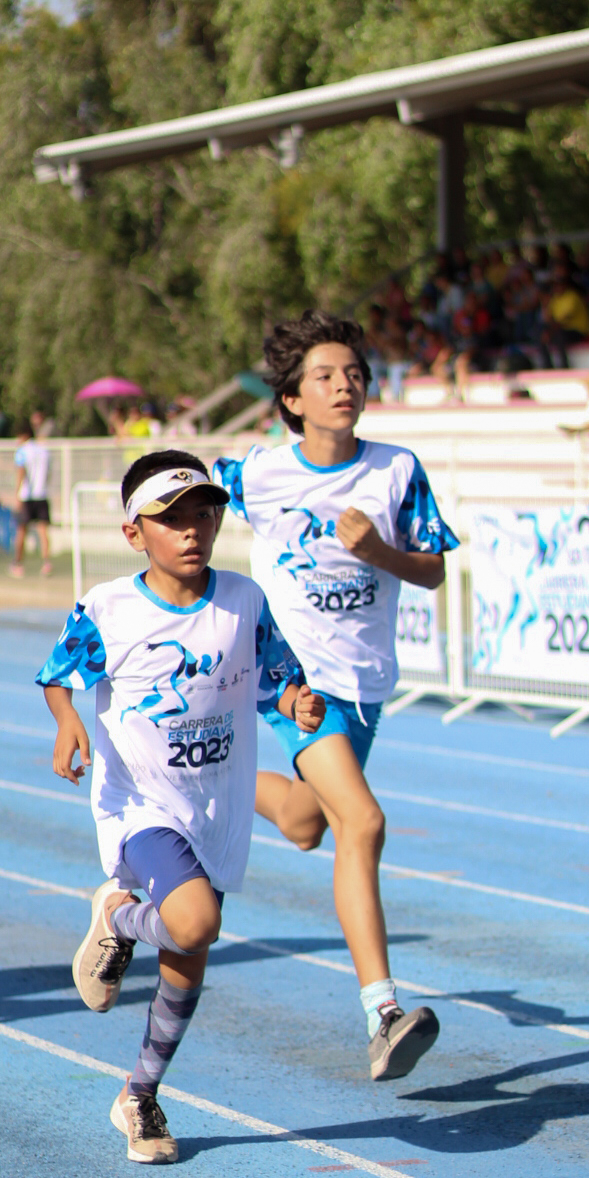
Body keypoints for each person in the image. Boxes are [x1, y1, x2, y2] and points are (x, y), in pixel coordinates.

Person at [36, 452, 322, 1162]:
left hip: (216, 805)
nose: (192, 530)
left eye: (204, 513)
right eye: (171, 518)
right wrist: (67, 722)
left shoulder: (243, 600)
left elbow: (278, 678)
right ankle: (115, 913)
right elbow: (57, 675)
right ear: (136, 533)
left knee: (187, 951)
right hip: (140, 804)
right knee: (197, 921)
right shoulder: (108, 607)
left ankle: (140, 1094)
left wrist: (297, 701)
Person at [213, 311, 458, 1081]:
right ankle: (383, 1012)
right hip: (291, 683)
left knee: (304, 822)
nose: (344, 385)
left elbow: (432, 568)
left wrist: (377, 550)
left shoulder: (395, 470)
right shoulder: (255, 472)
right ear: (291, 399)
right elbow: (171, 502)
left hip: (364, 685)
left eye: (353, 373)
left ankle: (182, 773)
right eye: (324, 376)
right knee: (364, 820)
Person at [11, 421, 54, 577]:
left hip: (27, 496)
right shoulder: (44, 451)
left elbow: (21, 472)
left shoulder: (22, 451)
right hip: (42, 494)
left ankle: (18, 563)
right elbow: (48, 473)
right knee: (43, 531)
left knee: (22, 530)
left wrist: (17, 494)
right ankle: (47, 563)